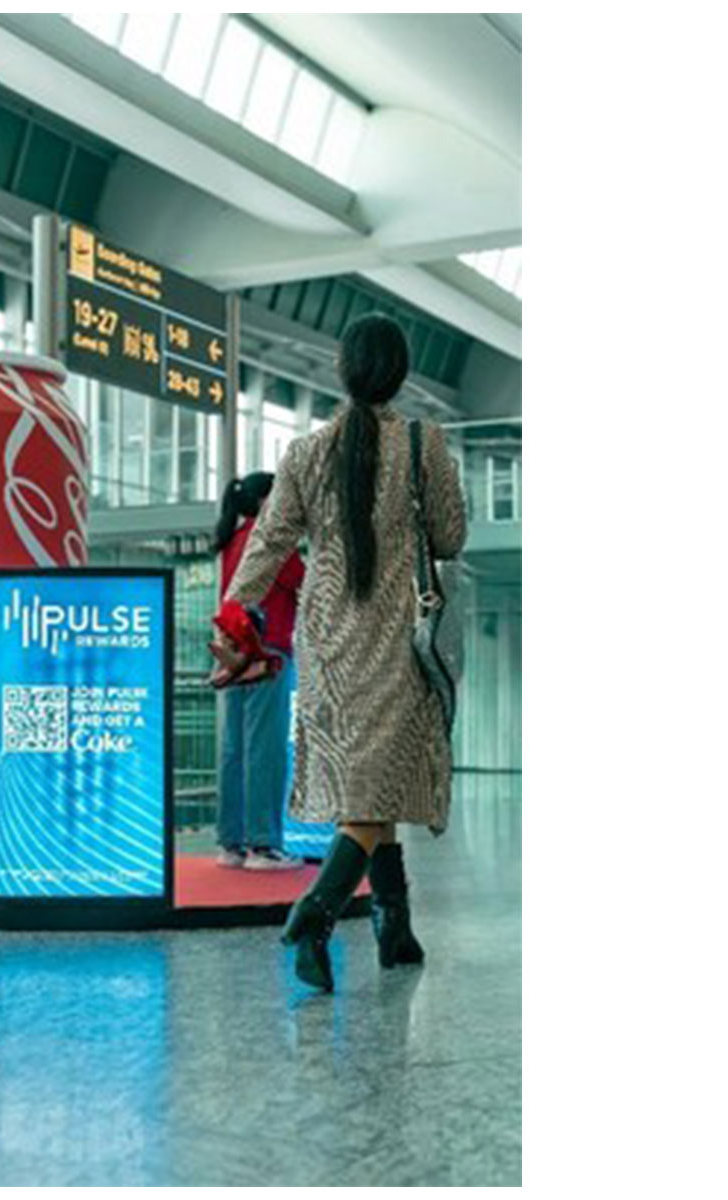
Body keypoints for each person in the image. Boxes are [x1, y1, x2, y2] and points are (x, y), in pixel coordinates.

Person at [215, 313, 466, 992]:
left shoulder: (304, 453)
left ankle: (397, 929)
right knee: (373, 794)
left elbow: (268, 541)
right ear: (401, 373)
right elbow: (449, 537)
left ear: (343, 371)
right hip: (391, 638)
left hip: (325, 643)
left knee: (370, 789)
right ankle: (316, 913)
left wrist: (234, 613)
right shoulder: (424, 444)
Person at [212, 472, 307, 871]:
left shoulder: (233, 541)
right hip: (269, 654)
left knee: (234, 749)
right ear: (269, 500)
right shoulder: (272, 542)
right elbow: (307, 584)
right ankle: (264, 846)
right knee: (265, 750)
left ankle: (231, 844)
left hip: (234, 655)